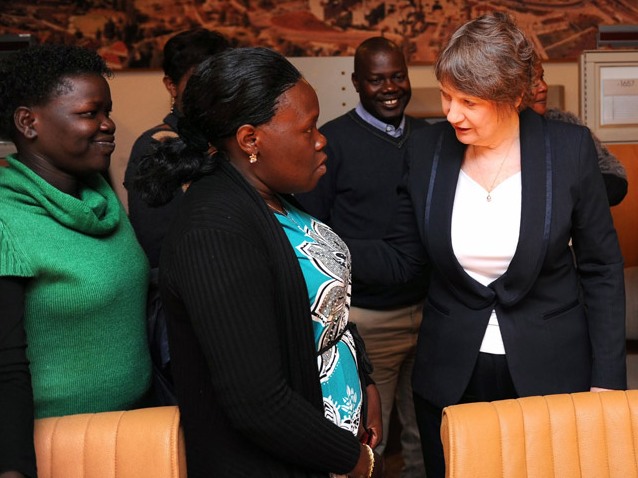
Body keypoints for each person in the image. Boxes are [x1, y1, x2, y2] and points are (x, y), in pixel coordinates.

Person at [346, 12, 626, 478]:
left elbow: (601, 269)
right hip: (450, 371)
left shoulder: (569, 149)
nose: (452, 113)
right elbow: (403, 257)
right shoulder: (426, 150)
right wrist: (313, 244)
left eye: (469, 102)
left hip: (552, 368)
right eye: (447, 95)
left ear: (513, 97)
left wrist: (607, 379)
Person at [132, 47, 383, 478]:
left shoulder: (273, 197)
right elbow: (258, 403)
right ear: (251, 140)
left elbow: (320, 300)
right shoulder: (214, 234)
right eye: (308, 129)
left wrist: (364, 377)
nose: (321, 140)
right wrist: (355, 460)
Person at [0, 44, 152, 478]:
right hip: (58, 449)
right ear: (29, 122)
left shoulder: (99, 198)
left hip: (132, 431)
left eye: (108, 111)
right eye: (89, 113)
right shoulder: (6, 218)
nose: (108, 125)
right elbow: (3, 367)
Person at [296, 36, 428, 477]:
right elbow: (317, 237)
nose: (390, 87)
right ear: (356, 82)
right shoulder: (328, 143)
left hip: (433, 311)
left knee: (428, 436)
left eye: (397, 76)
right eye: (376, 80)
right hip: (369, 318)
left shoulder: (433, 138)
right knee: (369, 441)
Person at [124, 27, 231, 268]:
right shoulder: (156, 145)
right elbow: (158, 247)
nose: (211, 92)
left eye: (219, 81)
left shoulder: (231, 138)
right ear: (171, 85)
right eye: (198, 82)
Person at [530, 60, 628, 206]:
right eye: (532, 82)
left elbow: (616, 180)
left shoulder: (567, 125)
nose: (544, 87)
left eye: (542, 78)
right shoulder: (494, 135)